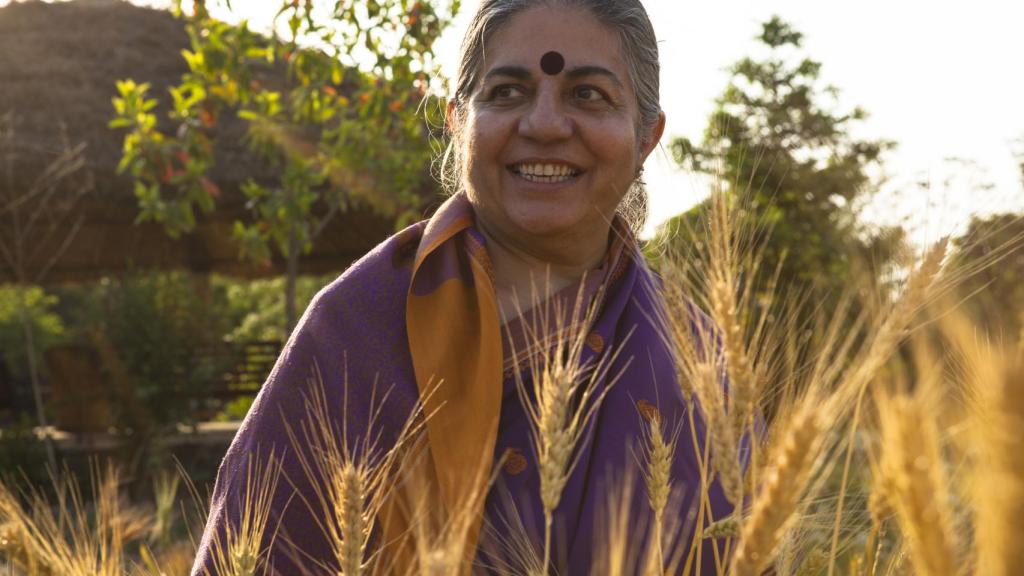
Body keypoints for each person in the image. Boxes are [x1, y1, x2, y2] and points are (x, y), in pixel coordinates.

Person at [192, 1, 734, 574]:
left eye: (587, 95)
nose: (544, 124)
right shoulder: (356, 332)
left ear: (647, 135)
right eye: (507, 93)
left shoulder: (696, 356)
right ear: (457, 120)